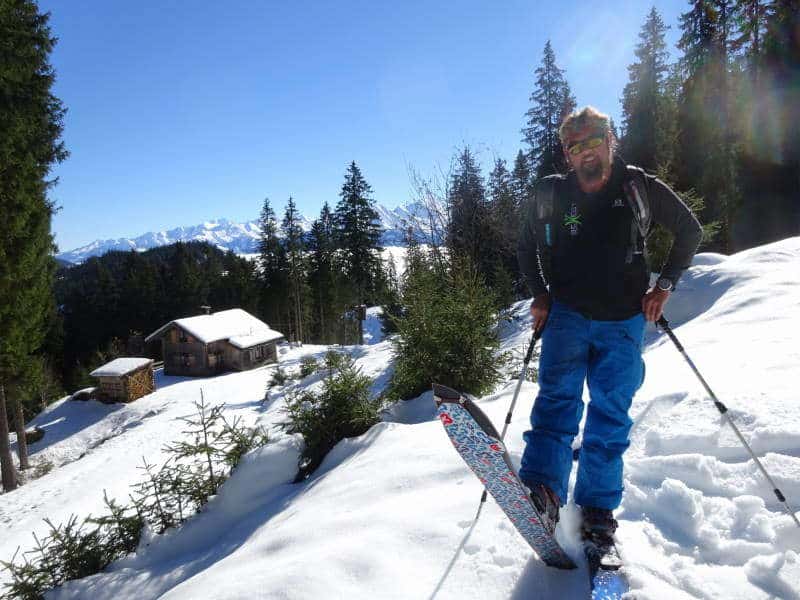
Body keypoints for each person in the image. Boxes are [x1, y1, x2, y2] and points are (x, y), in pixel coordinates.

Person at [516, 106, 702, 544]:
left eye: (593, 139)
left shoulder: (638, 186)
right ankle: (543, 492)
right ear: (566, 153)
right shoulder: (551, 193)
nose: (585, 151)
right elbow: (526, 244)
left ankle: (597, 510)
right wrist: (539, 295)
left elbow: (689, 230)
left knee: (610, 415)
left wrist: (664, 287)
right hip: (566, 316)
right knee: (556, 404)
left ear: (610, 139)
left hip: (623, 321)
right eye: (574, 145)